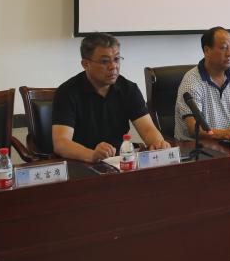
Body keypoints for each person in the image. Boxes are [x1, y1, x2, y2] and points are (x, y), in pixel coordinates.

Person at [52, 33, 171, 163]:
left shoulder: (128, 89)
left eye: (116, 59)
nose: (113, 66)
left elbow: (147, 129)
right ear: (85, 64)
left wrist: (158, 144)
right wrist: (92, 155)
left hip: (119, 161)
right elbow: (61, 143)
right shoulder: (67, 92)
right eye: (105, 61)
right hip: (81, 161)